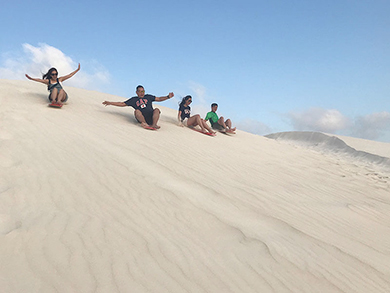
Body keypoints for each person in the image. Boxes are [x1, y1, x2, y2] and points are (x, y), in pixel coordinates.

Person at [102, 85, 174, 129]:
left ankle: (154, 124)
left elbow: (159, 99)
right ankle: (144, 124)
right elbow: (122, 103)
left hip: (151, 117)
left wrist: (168, 97)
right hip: (141, 117)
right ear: (136, 92)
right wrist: (110, 103)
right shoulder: (134, 99)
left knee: (157, 110)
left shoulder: (148, 96)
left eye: (143, 91)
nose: (142, 93)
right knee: (137, 111)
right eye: (140, 91)